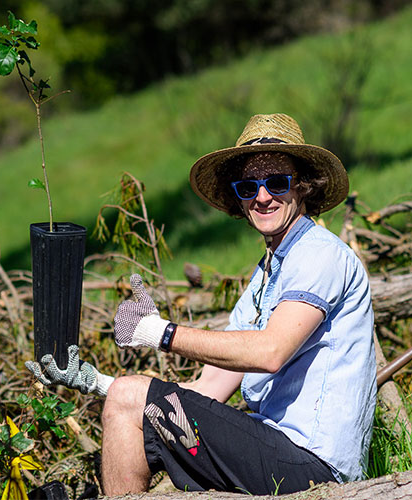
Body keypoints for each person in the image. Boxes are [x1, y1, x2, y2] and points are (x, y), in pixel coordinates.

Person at [26, 113, 376, 496]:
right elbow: (209, 387)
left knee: (132, 397)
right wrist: (95, 382)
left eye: (277, 183)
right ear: (237, 198)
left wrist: (158, 332)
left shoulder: (319, 254)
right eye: (248, 187)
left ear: (303, 187)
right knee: (126, 400)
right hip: (275, 451)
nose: (262, 197)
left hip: (313, 464)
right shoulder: (265, 278)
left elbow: (271, 352)